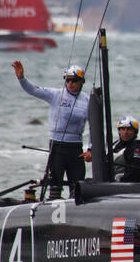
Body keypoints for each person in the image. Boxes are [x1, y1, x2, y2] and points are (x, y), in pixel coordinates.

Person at [14, 60, 92, 199]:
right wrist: (22, 78)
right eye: (67, 80)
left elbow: (94, 127)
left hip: (76, 148)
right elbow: (33, 90)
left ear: (82, 82)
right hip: (58, 147)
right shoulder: (56, 95)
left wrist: (91, 150)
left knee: (78, 185)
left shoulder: (87, 100)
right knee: (55, 185)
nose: (70, 83)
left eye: (74, 80)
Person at [112, 115, 140, 183]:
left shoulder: (139, 147)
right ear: (119, 131)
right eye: (123, 129)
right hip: (115, 183)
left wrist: (119, 180)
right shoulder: (115, 144)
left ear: (135, 131)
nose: (125, 132)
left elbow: (135, 173)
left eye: (129, 129)